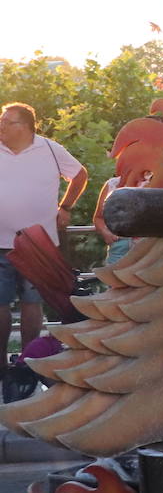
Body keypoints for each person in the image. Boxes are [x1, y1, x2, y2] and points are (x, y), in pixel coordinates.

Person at [1, 102, 88, 356]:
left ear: (26, 126)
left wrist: (66, 207)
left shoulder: (50, 149)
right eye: (1, 121)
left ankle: (27, 361)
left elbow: (80, 175)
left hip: (39, 244)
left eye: (7, 122)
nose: (1, 126)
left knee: (32, 301)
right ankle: (0, 365)